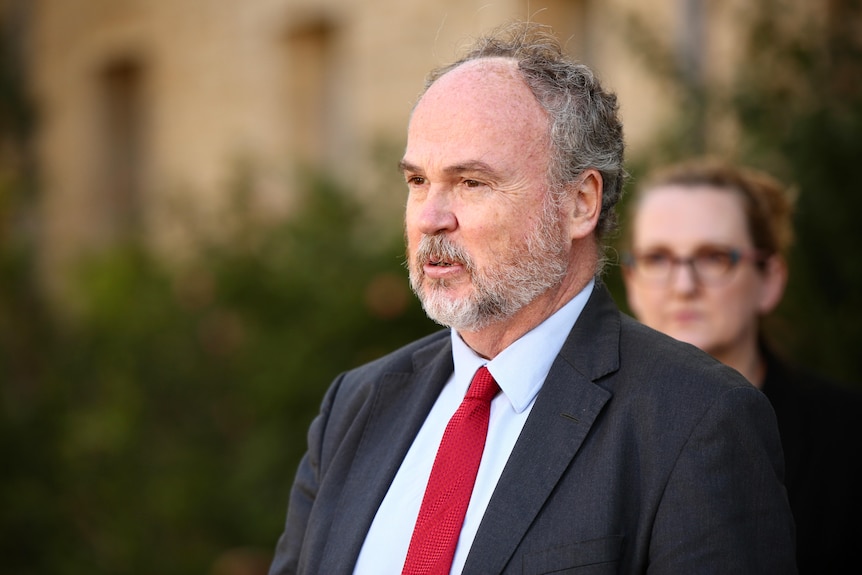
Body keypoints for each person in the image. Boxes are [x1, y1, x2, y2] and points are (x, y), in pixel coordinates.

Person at [268, 23, 796, 574]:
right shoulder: (356, 406)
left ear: (580, 203)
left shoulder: (696, 420)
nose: (430, 218)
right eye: (418, 181)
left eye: (471, 182)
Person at [621, 158, 862, 573]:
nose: (683, 287)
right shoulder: (573, 429)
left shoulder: (849, 439)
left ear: (769, 280)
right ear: (631, 282)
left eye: (714, 257)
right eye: (658, 259)